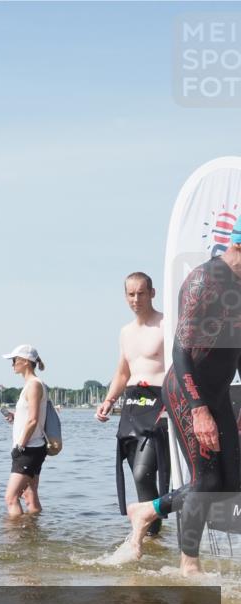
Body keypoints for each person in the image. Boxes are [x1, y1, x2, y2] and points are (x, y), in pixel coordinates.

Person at [126, 217, 241, 574]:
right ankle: (188, 564)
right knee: (206, 480)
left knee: (232, 483)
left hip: (218, 392)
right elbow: (180, 351)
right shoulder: (205, 280)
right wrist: (198, 409)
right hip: (187, 390)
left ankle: (148, 510)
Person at [95, 272, 168, 536]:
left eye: (141, 293)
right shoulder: (125, 332)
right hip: (132, 405)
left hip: (161, 402)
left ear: (152, 293)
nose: (136, 299)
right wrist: (108, 400)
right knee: (140, 479)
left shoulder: (166, 324)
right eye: (130, 294)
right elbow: (123, 372)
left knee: (142, 473)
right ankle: (154, 539)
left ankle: (151, 530)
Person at [1, 345, 48, 518]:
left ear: (26, 362)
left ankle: (15, 539)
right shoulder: (31, 385)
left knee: (11, 498)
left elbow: (34, 420)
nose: (12, 364)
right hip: (33, 447)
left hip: (29, 449)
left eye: (14, 360)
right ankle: (33, 536)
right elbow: (30, 417)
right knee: (29, 495)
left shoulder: (34, 385)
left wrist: (20, 446)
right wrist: (15, 418)